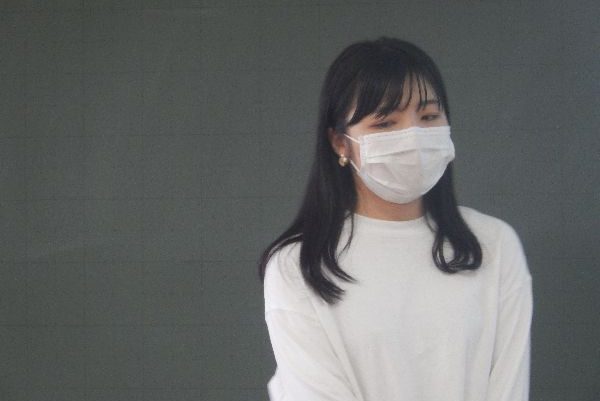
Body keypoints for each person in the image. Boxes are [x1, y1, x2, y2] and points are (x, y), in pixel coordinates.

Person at [258, 37, 533, 401]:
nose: (413, 136)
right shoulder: (299, 264)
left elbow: (509, 387)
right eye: (385, 123)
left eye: (429, 117)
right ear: (340, 142)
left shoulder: (492, 245)